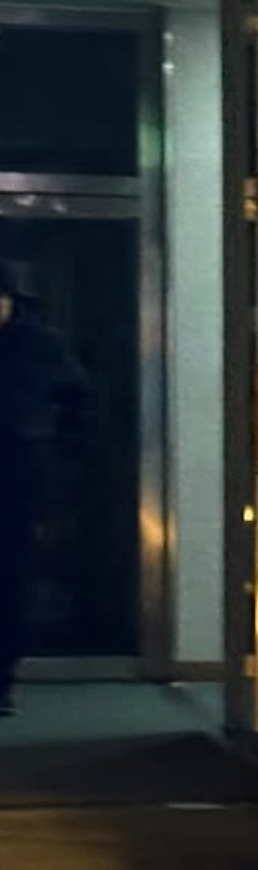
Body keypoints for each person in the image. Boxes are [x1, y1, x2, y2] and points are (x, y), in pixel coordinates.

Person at [0, 261, 87, 716]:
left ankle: (2, 677)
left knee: (10, 580)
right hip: (25, 466)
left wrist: (60, 461)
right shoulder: (41, 347)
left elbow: (78, 407)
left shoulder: (39, 346)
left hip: (19, 475)